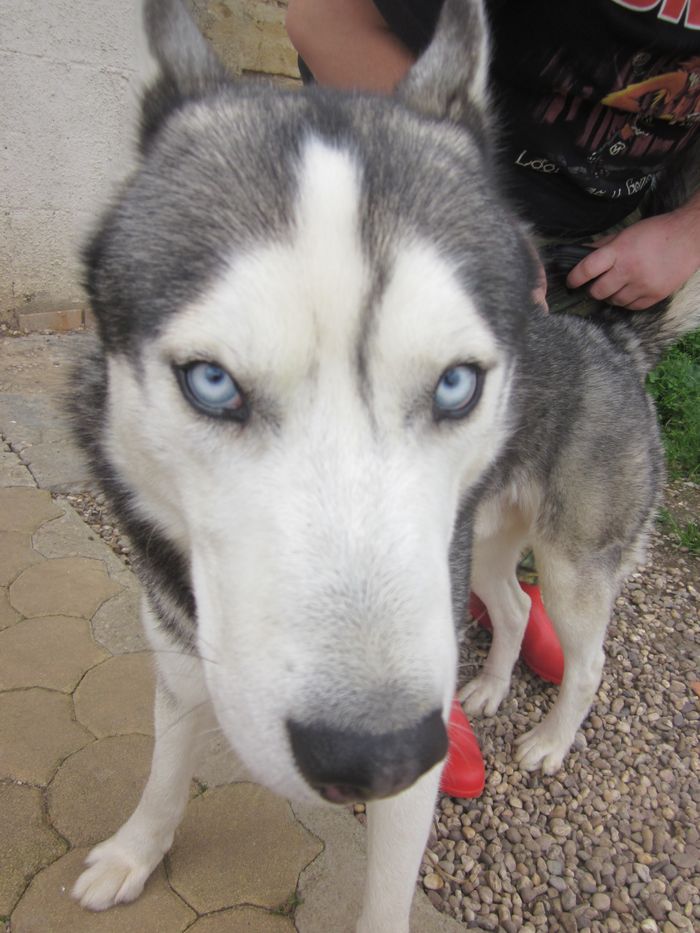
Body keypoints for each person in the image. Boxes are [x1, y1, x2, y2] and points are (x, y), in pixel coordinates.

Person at [285, 0, 700, 796]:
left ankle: (572, 682)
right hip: (415, 205)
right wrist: (474, 205)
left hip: (596, 270)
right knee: (387, 500)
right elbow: (318, 15)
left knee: (556, 574)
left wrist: (689, 230)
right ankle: (425, 681)